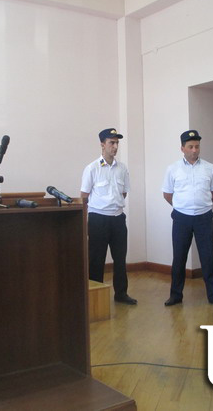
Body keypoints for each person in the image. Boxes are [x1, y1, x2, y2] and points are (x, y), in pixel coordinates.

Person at [162, 130, 213, 306]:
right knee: (179, 258)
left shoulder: (209, 168)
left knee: (208, 257)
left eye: (197, 146)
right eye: (190, 147)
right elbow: (167, 194)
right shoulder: (173, 169)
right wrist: (183, 206)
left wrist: (200, 204)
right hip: (181, 219)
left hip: (204, 218)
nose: (194, 150)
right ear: (182, 148)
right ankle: (176, 295)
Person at [80, 128, 137, 305]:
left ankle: (121, 293)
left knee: (120, 259)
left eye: (117, 143)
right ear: (102, 145)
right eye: (111, 142)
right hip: (98, 219)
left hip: (118, 219)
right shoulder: (92, 168)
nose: (115, 146)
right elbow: (84, 196)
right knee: (96, 260)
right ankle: (94, 296)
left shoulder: (122, 168)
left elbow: (124, 192)